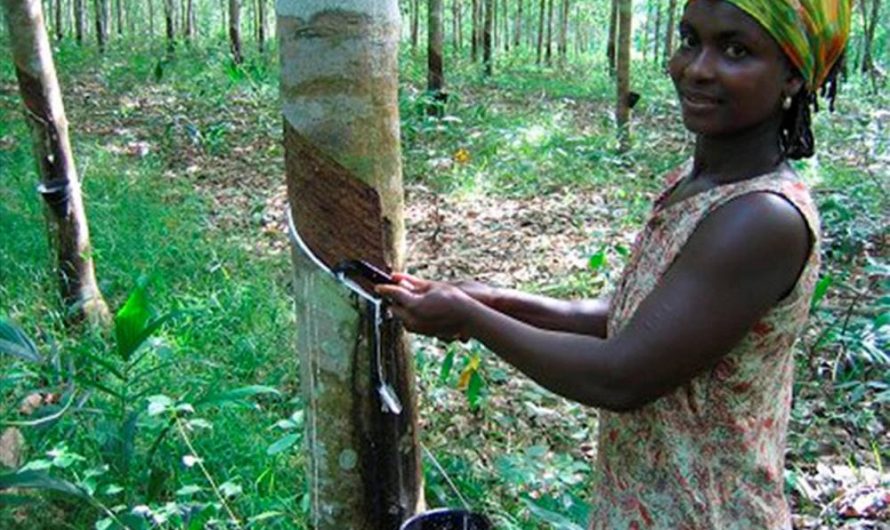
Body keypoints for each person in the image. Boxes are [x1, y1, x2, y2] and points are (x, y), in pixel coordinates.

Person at [378, 0, 852, 528]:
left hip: (704, 513)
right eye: (690, 39)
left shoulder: (761, 218)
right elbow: (631, 320)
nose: (696, 68)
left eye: (736, 50)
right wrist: (489, 298)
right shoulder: (695, 187)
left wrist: (470, 319)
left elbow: (620, 376)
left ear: (792, 73)